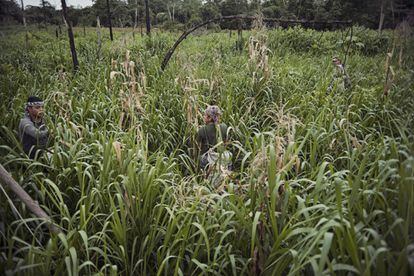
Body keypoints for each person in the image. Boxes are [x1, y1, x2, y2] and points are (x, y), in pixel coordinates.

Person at [196, 105, 232, 175]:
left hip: (209, 161)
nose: (203, 117)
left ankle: (203, 178)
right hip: (223, 158)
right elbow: (227, 143)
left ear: (209, 118)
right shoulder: (224, 127)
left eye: (205, 115)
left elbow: (199, 147)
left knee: (201, 158)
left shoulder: (202, 130)